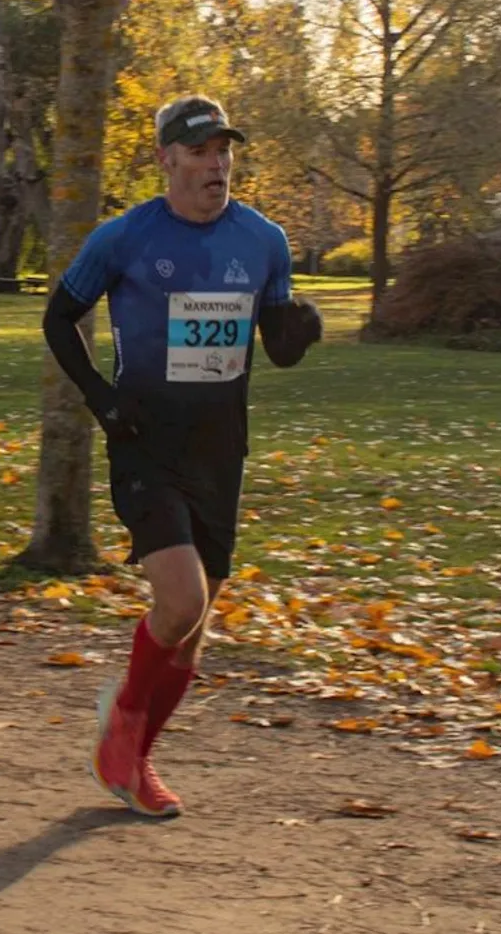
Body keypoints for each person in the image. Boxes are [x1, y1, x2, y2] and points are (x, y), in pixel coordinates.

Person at [43, 95, 323, 818]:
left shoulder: (264, 239)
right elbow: (59, 316)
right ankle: (122, 727)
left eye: (224, 150)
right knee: (182, 599)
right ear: (166, 158)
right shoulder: (125, 237)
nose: (216, 164)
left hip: (220, 446)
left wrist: (300, 330)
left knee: (194, 632)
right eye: (200, 152)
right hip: (147, 441)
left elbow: (277, 346)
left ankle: (136, 757)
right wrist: (102, 400)